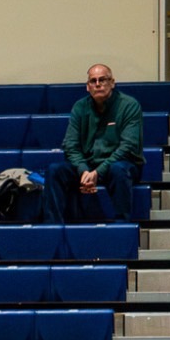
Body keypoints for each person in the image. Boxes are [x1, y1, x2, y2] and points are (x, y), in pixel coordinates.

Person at [43, 64, 145, 223]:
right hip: (88, 166)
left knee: (119, 170)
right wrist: (84, 170)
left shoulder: (129, 105)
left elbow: (128, 147)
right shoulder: (80, 107)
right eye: (93, 81)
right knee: (54, 170)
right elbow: (70, 145)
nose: (98, 84)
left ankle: (121, 226)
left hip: (120, 164)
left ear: (112, 83)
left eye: (102, 80)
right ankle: (53, 228)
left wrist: (98, 172)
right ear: (87, 87)